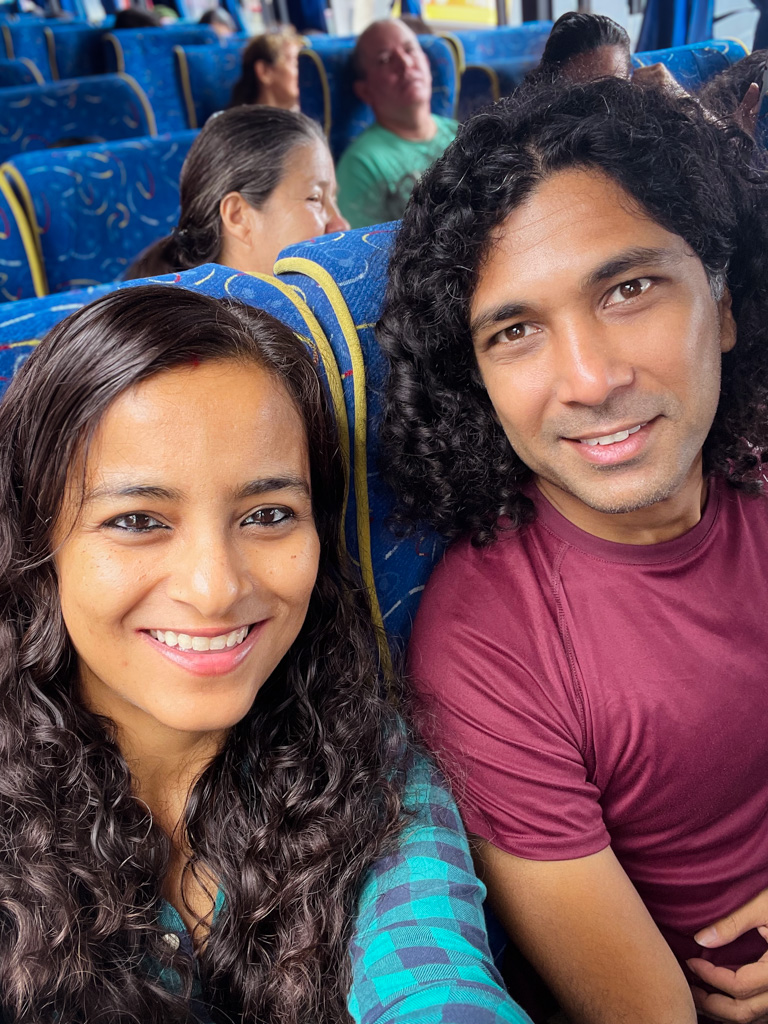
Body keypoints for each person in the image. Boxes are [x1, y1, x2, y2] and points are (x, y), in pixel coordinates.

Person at [0, 283, 532, 1024]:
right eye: (138, 520)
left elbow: (433, 978)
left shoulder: (364, 751)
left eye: (268, 514)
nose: (216, 588)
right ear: (38, 544)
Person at [378, 78, 768, 1024]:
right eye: (516, 333)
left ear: (720, 304)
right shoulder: (491, 645)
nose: (590, 380)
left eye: (628, 289)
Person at [125, 106, 348, 280]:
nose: (341, 225)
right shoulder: (202, 337)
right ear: (238, 216)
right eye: (315, 198)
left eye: (333, 199)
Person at [335, 18, 457, 229]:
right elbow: (367, 254)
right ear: (365, 90)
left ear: (427, 64)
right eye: (385, 60)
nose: (405, 64)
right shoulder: (361, 164)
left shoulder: (461, 133)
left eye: (410, 50)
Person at [229, 27, 301, 112]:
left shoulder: (307, 116)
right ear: (264, 72)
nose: (304, 71)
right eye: (295, 64)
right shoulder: (237, 123)